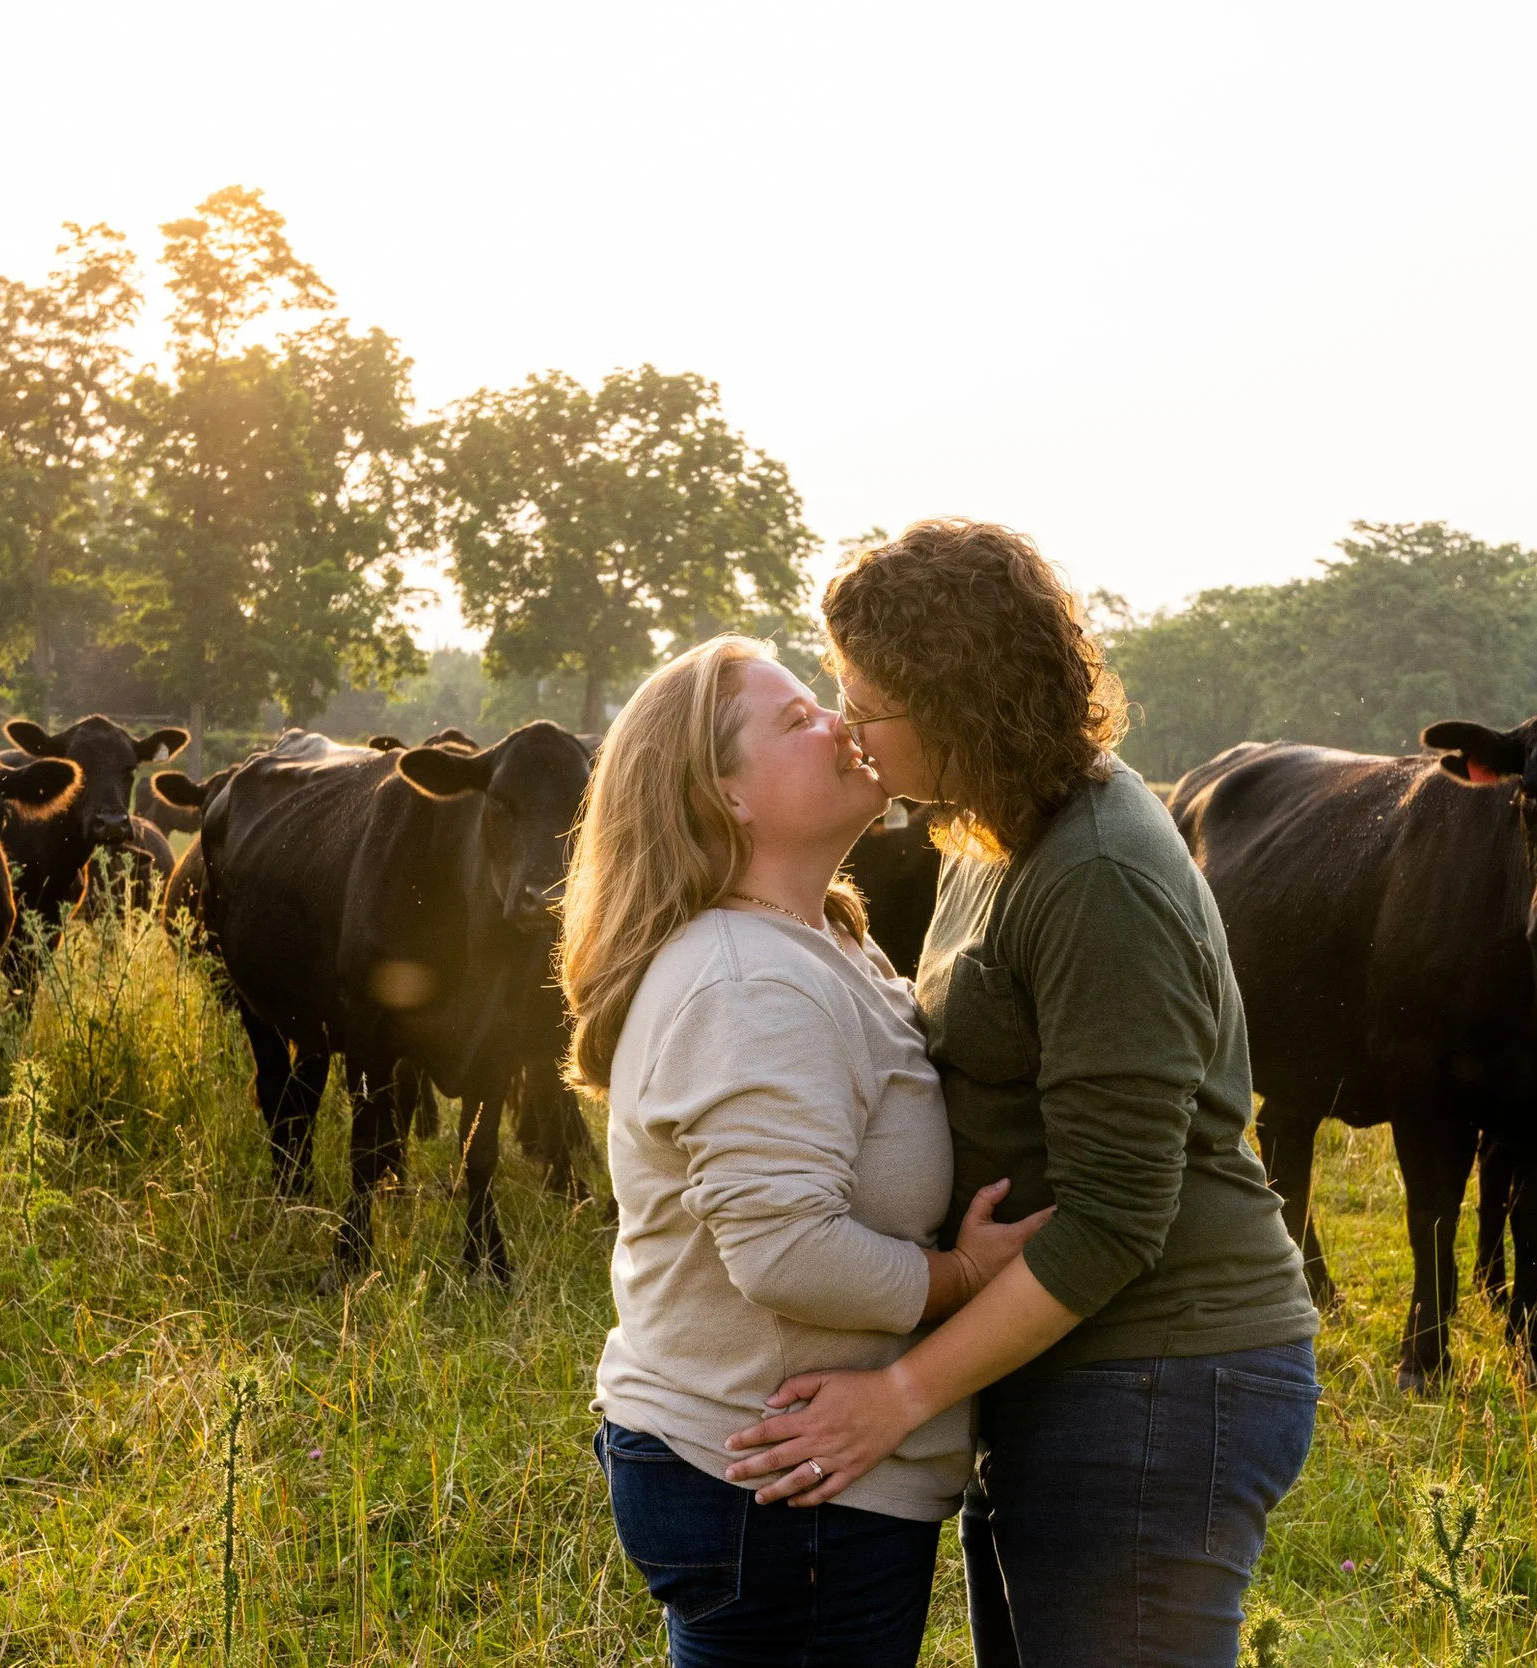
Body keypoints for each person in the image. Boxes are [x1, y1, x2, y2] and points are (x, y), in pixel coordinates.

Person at [723, 519, 1321, 1668]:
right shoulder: (991, 833)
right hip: (1062, 1364)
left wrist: (896, 1395)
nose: (848, 728)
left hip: (1157, 1373)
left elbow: (1112, 1219)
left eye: (867, 703)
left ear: (957, 703)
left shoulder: (1096, 873)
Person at [564, 634, 1052, 1668]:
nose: (839, 721)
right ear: (723, 796)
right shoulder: (753, 981)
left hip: (784, 1477)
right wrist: (961, 1277)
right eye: (795, 720)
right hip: (784, 1487)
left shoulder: (822, 938)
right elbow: (788, 1254)